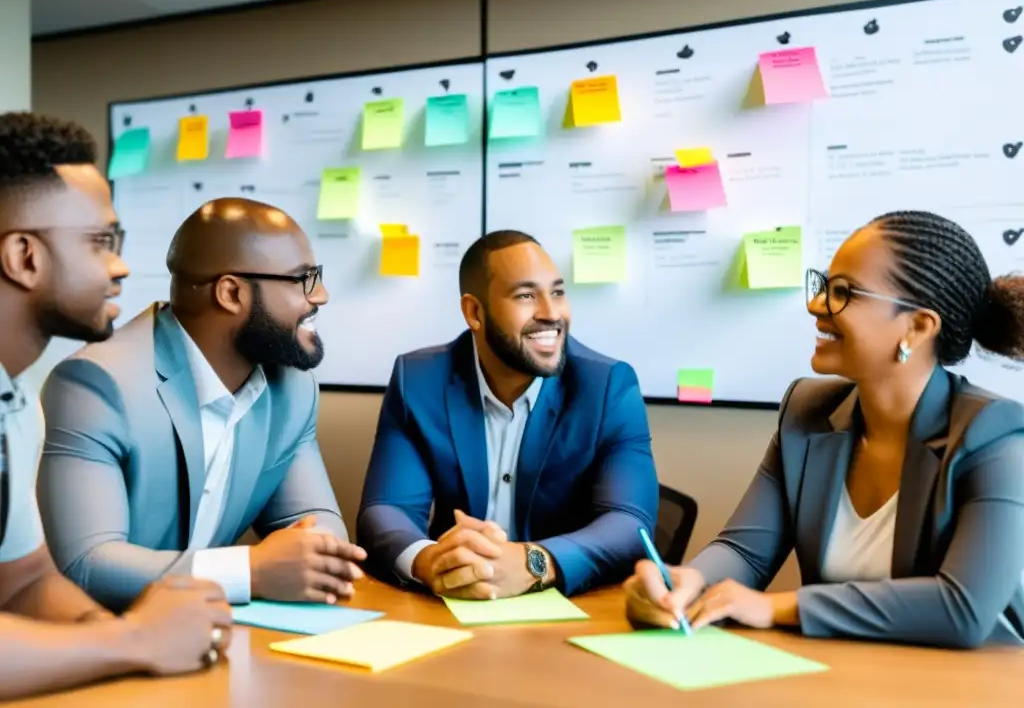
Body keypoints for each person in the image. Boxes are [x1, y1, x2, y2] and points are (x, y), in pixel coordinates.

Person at [625, 210, 1024, 649]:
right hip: (842, 676)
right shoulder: (806, 412)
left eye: (843, 293)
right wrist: (688, 581)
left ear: (917, 326)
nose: (816, 305)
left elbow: (961, 609)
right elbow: (744, 552)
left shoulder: (995, 436)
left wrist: (777, 607)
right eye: (824, 286)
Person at [0, 111, 233, 700]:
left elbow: (21, 581)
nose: (121, 265)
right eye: (101, 242)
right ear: (25, 257)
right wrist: (134, 641)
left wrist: (111, 632)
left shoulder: (15, 402)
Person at [38, 197, 366, 613]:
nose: (320, 295)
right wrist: (253, 570)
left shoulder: (293, 387)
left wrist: (316, 555)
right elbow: (87, 565)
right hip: (100, 642)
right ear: (231, 293)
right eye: (302, 279)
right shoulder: (97, 386)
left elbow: (315, 519)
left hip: (205, 637)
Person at [358, 230, 659, 600]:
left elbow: (631, 525)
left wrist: (534, 561)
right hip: (453, 602)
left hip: (568, 608)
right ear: (475, 312)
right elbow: (386, 509)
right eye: (526, 295)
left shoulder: (608, 386)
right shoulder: (419, 380)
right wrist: (429, 559)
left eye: (558, 292)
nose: (551, 313)